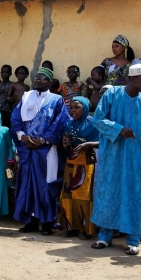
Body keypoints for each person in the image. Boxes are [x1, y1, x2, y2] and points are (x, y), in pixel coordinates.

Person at [90, 63, 141, 255]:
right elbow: (98, 119)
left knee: (136, 194)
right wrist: (119, 129)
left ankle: (133, 239)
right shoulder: (112, 95)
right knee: (109, 191)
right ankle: (104, 236)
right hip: (112, 155)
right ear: (132, 79)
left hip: (137, 158)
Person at [10, 67, 70, 235]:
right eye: (37, 78)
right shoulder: (26, 97)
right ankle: (30, 222)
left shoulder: (56, 100)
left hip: (46, 150)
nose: (38, 81)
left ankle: (47, 223)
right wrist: (22, 136)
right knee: (26, 184)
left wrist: (43, 140)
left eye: (42, 79)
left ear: (50, 82)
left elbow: (60, 122)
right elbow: (15, 118)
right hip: (27, 149)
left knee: (46, 185)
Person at [59, 97, 99, 239]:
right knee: (67, 194)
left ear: (85, 108)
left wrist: (87, 144)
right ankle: (70, 227)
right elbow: (65, 144)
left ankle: (84, 229)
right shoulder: (69, 124)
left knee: (84, 196)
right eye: (71, 108)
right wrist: (66, 142)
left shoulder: (93, 123)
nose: (73, 110)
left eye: (77, 107)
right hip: (71, 162)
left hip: (86, 163)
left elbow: (103, 142)